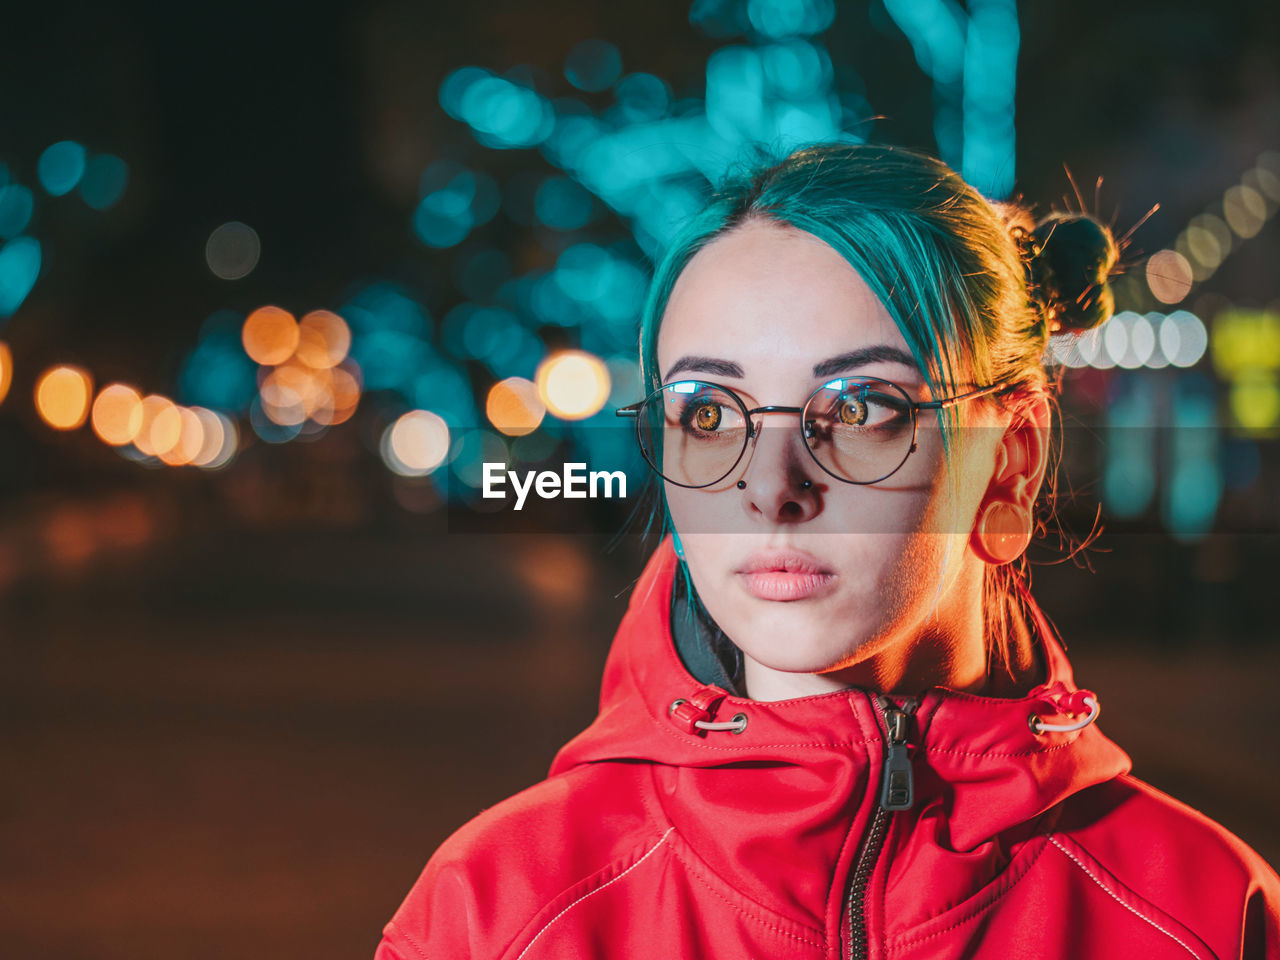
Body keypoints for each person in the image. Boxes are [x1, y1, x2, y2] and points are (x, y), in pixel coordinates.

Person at [373, 143, 1280, 959]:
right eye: (707, 413)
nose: (771, 486)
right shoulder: (497, 915)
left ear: (1010, 464)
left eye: (856, 408)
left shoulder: (1201, 917)